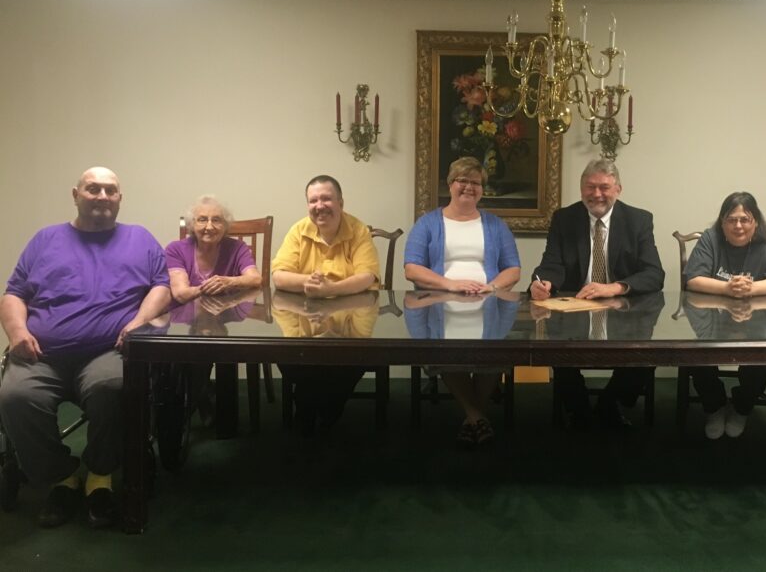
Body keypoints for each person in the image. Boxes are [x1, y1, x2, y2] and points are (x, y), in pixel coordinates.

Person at [0, 167, 170, 529]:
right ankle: (62, 477)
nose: (103, 197)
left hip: (108, 352)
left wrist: (139, 321)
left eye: (111, 190)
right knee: (15, 397)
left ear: (120, 199)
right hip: (41, 354)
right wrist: (16, 333)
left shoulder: (140, 238)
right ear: (75, 194)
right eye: (93, 189)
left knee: (114, 387)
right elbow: (14, 293)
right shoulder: (45, 240)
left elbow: (162, 286)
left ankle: (100, 477)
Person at [530, 159, 665, 428]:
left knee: (646, 353)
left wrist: (614, 287)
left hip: (623, 308)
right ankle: (579, 410)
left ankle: (610, 404)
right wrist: (543, 282)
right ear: (581, 189)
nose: (597, 194)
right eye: (590, 187)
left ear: (618, 189)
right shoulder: (564, 218)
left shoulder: (639, 220)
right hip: (575, 306)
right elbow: (552, 263)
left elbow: (654, 274)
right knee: (556, 348)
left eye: (604, 187)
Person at [403, 157, 521, 446]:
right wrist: (451, 285)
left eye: (476, 183)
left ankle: (472, 417)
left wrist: (491, 287)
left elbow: (513, 269)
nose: (469, 187)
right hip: (439, 304)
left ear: (482, 189)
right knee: (447, 352)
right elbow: (411, 268)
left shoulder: (495, 224)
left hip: (488, 303)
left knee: (494, 354)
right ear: (450, 184)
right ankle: (477, 415)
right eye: (462, 181)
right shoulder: (428, 223)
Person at [271, 175, 381, 435]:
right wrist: (307, 281)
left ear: (341, 202)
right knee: (287, 356)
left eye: (326, 198)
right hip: (303, 319)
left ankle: (316, 409)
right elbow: (278, 276)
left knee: (352, 358)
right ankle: (317, 408)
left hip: (352, 319)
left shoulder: (359, 230)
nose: (320, 205)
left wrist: (331, 289)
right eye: (313, 200)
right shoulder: (298, 230)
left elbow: (367, 277)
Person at [682, 192, 766, 439]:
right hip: (709, 321)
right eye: (731, 219)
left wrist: (751, 288)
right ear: (722, 222)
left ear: (755, 223)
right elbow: (692, 279)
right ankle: (713, 406)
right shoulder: (710, 238)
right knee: (691, 352)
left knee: (765, 356)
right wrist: (726, 288)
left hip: (756, 322)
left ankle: (742, 406)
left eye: (745, 219)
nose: (738, 225)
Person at [166, 195, 262, 305]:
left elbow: (255, 279)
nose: (209, 227)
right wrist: (213, 287)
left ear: (225, 225)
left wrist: (230, 282)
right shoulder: (175, 250)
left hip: (228, 315)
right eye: (202, 220)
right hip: (187, 317)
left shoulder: (238, 248)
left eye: (216, 220)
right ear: (192, 225)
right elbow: (181, 294)